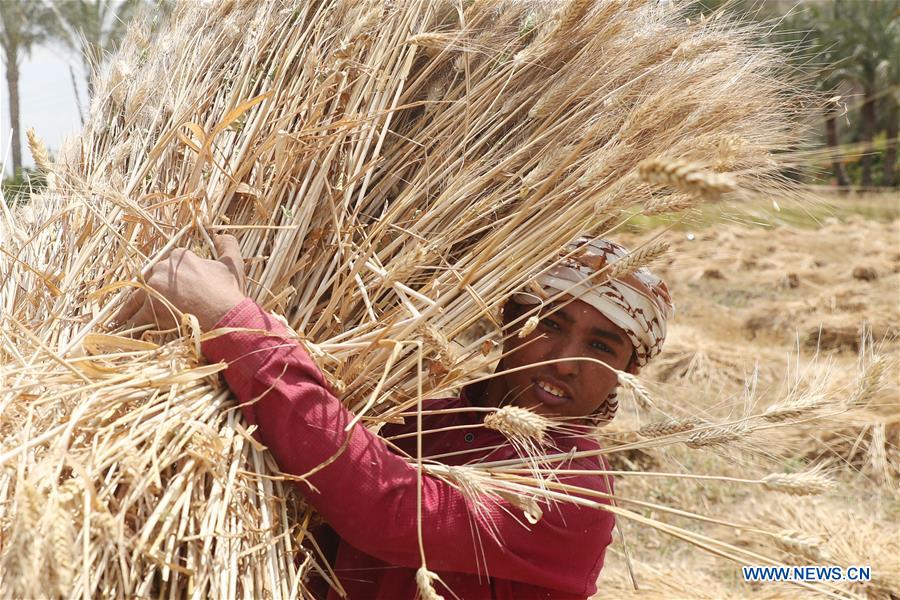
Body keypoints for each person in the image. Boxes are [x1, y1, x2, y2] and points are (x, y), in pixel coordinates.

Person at [114, 234, 673, 599]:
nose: (564, 360)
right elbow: (317, 427)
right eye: (548, 323)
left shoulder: (572, 490)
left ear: (629, 370)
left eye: (601, 347)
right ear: (508, 322)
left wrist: (233, 320)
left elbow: (382, 504)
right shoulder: (422, 413)